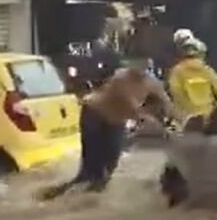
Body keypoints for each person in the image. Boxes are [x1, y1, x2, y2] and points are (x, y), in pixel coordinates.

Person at [40, 59, 179, 199]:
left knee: (111, 162)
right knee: (91, 170)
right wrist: (150, 121)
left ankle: (92, 197)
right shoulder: (121, 78)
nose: (142, 68)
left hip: (115, 121)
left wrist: (183, 122)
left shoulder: (151, 82)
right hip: (93, 114)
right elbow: (130, 104)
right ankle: (61, 196)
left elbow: (167, 103)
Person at [166, 31, 217, 119]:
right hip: (208, 120)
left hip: (188, 122)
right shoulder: (207, 70)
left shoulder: (176, 72)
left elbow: (174, 96)